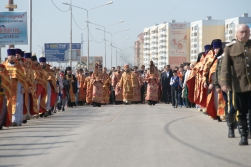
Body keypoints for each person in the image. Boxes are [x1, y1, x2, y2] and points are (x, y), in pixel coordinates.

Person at [221, 24, 251, 145]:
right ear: (236, 34)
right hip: (239, 86)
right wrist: (224, 82)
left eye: (246, 31)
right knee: (241, 111)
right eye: (242, 32)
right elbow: (225, 67)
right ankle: (243, 135)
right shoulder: (230, 48)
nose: (244, 33)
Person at [4, 49, 28, 126]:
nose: (11, 57)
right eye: (10, 55)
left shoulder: (19, 67)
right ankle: (8, 120)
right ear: (7, 56)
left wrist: (23, 87)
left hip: (17, 87)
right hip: (6, 87)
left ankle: (16, 120)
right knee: (7, 104)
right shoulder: (4, 66)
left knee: (18, 104)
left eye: (12, 55)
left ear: (15, 57)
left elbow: (23, 78)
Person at [0, 64, 12, 129]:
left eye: (1, 69)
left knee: (3, 109)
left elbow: (9, 84)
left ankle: (1, 123)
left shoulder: (6, 74)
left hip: (3, 94)